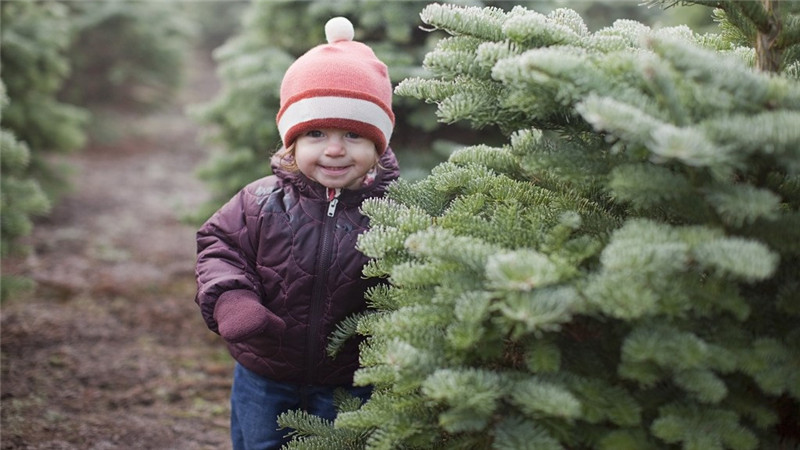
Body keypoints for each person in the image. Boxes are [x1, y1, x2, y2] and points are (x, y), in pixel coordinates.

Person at [194, 16, 400, 450]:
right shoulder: (260, 201)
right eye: (316, 133)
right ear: (291, 141)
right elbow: (220, 247)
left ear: (379, 145)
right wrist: (232, 299)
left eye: (353, 135)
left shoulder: (395, 212)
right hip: (264, 374)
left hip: (354, 383)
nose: (334, 149)